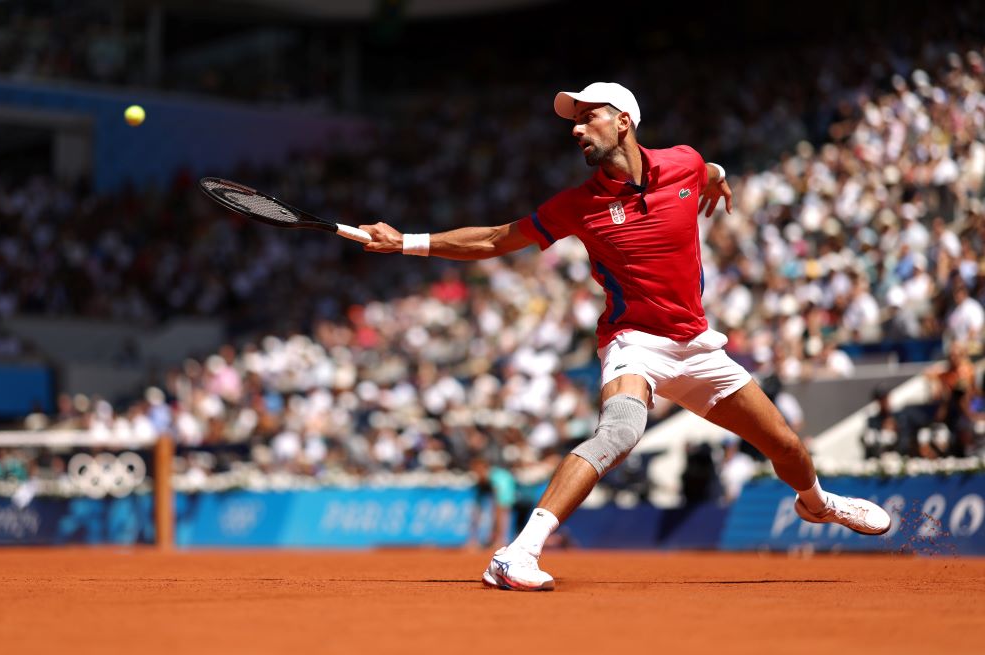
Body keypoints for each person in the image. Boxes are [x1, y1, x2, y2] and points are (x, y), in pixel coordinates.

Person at [361, 82, 891, 591]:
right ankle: (517, 553)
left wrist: (718, 178)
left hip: (696, 344)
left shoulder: (682, 163)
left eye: (587, 117)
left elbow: (705, 169)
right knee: (619, 432)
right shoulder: (577, 204)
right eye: (574, 121)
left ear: (622, 122)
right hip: (633, 340)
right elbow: (496, 240)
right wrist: (405, 242)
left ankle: (816, 505)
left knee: (786, 444)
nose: (576, 129)